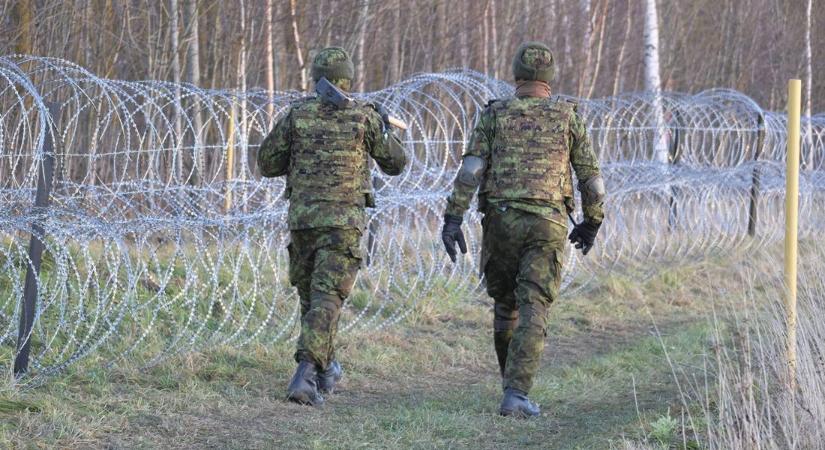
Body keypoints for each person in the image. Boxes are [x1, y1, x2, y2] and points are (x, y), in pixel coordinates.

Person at [441, 42, 605, 418]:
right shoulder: (567, 116)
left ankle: (510, 385)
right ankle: (516, 392)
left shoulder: (495, 114)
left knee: (505, 304)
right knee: (534, 304)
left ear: (516, 74)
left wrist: (453, 218)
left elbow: (471, 171)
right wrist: (592, 223)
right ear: (549, 78)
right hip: (548, 222)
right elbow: (592, 182)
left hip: (501, 220)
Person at [258, 47, 407, 406]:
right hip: (342, 223)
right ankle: (305, 374)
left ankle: (325, 370)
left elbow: (267, 163)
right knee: (326, 299)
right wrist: (385, 128)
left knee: (314, 298)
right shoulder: (364, 118)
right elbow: (396, 163)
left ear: (317, 79)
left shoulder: (297, 115)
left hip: (304, 221)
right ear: (349, 78)